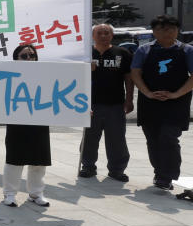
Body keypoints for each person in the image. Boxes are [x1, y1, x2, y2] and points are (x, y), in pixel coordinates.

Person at [130, 14, 193, 190]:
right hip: (150, 102)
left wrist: (176, 94)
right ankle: (160, 173)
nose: (167, 32)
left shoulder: (187, 50)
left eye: (172, 28)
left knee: (169, 137)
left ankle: (167, 176)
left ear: (178, 30)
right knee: (153, 139)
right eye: (162, 29)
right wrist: (148, 93)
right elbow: (135, 73)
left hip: (176, 103)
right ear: (154, 32)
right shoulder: (144, 50)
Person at [79, 24, 134, 182]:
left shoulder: (122, 53)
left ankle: (117, 170)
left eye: (106, 33)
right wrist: (85, 69)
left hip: (115, 104)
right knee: (89, 137)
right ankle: (88, 166)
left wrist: (129, 99)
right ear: (93, 35)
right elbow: (73, 76)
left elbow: (129, 79)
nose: (103, 36)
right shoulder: (86, 53)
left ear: (112, 35)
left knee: (117, 139)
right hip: (90, 104)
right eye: (99, 33)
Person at [2, 44, 52, 208]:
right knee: (14, 159)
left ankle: (36, 194)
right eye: (24, 56)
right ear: (16, 58)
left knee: (39, 160)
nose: (29, 58)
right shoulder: (7, 74)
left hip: (39, 121)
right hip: (17, 122)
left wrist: (79, 111)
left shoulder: (46, 74)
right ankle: (9, 194)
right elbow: (1, 97)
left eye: (32, 55)